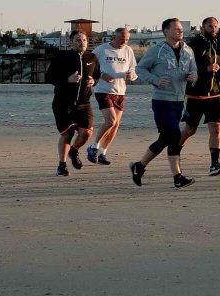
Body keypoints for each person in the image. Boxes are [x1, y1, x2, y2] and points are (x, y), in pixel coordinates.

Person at [130, 18, 198, 188]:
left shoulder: (188, 51)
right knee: (174, 136)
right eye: (176, 29)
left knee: (166, 138)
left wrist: (194, 77)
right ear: (166, 31)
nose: (180, 32)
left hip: (179, 101)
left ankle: (139, 166)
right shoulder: (157, 51)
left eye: (181, 29)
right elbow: (140, 69)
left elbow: (194, 70)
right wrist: (156, 80)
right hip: (162, 101)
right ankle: (178, 177)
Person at [181, 17, 220, 177]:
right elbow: (185, 67)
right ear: (203, 28)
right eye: (210, 26)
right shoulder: (194, 45)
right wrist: (205, 68)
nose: (214, 28)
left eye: (216, 26)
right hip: (195, 95)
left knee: (216, 128)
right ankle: (174, 151)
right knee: (190, 130)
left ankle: (214, 164)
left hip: (215, 94)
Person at [46, 31, 99, 177]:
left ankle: (74, 150)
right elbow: (49, 77)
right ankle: (62, 166)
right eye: (77, 40)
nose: (81, 42)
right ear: (71, 42)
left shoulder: (92, 57)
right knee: (67, 133)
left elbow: (97, 75)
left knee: (86, 132)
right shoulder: (62, 57)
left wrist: (93, 82)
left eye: (84, 40)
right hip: (63, 103)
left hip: (84, 103)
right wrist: (67, 79)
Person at [86, 27, 137, 166]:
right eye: (121, 39)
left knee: (115, 126)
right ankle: (93, 147)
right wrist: (101, 75)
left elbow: (132, 67)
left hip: (120, 91)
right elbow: (89, 65)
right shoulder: (101, 50)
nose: (124, 42)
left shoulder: (128, 50)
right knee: (110, 121)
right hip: (103, 89)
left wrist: (131, 75)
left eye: (126, 39)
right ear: (114, 37)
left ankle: (102, 151)